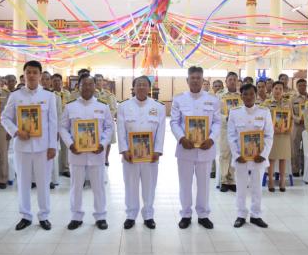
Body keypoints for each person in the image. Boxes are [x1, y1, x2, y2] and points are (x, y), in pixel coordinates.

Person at [1, 60, 58, 231]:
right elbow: (5, 118)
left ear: (40, 76)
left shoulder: (49, 96)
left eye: (35, 72)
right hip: (22, 147)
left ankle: (44, 216)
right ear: (24, 75)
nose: (32, 75)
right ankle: (25, 215)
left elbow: (53, 123)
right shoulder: (16, 96)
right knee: (23, 183)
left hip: (43, 148)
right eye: (29, 72)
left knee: (43, 182)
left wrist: (52, 146)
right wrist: (16, 131)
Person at [59, 74, 113, 230]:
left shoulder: (103, 106)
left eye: (90, 84)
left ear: (95, 87)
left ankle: (100, 216)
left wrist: (103, 143)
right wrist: (70, 144)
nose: (87, 87)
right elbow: (62, 127)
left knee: (98, 186)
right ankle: (76, 216)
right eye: (84, 84)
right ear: (79, 87)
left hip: (97, 153)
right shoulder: (70, 106)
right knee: (76, 186)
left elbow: (109, 127)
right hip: (77, 154)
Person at [170, 66, 221, 229]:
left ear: (203, 79)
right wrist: (181, 137)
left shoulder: (213, 100)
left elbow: (218, 122)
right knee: (184, 183)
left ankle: (203, 214)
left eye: (198, 78)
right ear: (187, 80)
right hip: (185, 149)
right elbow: (174, 122)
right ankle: (185, 214)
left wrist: (212, 139)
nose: (195, 80)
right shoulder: (179, 99)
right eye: (192, 78)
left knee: (204, 184)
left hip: (205, 149)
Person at [117, 76, 166, 230]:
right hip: (130, 155)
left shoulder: (158, 107)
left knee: (149, 186)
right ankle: (131, 215)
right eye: (138, 85)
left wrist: (158, 151)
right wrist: (124, 149)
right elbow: (120, 130)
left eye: (144, 85)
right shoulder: (124, 106)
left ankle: (148, 215)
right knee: (130, 185)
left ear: (149, 88)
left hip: (150, 155)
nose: (141, 87)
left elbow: (161, 131)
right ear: (133, 88)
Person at [228, 83, 273, 228]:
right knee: (241, 186)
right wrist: (236, 154)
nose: (248, 97)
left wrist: (264, 154)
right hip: (241, 157)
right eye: (245, 94)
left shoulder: (264, 112)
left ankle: (256, 215)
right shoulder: (234, 113)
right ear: (241, 96)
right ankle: (241, 214)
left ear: (256, 95)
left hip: (258, 157)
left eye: (251, 94)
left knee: (257, 186)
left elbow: (269, 135)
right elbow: (231, 136)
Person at [264, 81, 293, 192]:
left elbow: (291, 117)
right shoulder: (267, 103)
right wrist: (271, 129)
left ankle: (282, 181)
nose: (278, 91)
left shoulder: (287, 102)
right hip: (272, 134)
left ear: (283, 90)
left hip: (284, 134)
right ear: (272, 89)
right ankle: (270, 181)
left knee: (283, 158)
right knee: (271, 158)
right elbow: (264, 119)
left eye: (280, 89)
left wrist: (289, 128)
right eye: (276, 88)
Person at [217, 71, 241, 192]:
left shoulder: (241, 95)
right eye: (230, 79)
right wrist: (225, 118)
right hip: (225, 128)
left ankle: (232, 180)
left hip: (237, 129)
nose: (232, 81)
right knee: (224, 154)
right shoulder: (220, 95)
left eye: (234, 79)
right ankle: (224, 180)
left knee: (234, 154)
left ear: (237, 81)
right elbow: (215, 113)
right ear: (226, 81)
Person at [40, 71, 62, 189]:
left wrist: (57, 130)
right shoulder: (35, 95)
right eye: (42, 79)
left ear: (50, 82)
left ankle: (51, 179)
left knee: (52, 155)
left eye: (47, 79)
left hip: (51, 129)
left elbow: (59, 114)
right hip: (38, 131)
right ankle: (37, 179)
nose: (45, 81)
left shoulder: (56, 96)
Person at [290, 79, 308, 176]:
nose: (302, 87)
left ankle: (305, 169)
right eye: (300, 85)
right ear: (297, 86)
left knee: (307, 148)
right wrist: (298, 120)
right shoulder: (293, 99)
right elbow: (290, 113)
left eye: (304, 85)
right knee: (295, 149)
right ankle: (295, 169)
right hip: (297, 126)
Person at [94, 74, 117, 167]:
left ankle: (106, 158)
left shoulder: (109, 94)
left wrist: (107, 117)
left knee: (108, 140)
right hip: (96, 121)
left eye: (101, 80)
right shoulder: (92, 94)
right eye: (97, 80)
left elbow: (113, 108)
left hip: (107, 121)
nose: (99, 82)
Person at [52, 73, 71, 178]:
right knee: (53, 146)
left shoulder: (67, 94)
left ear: (61, 82)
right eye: (54, 81)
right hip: (54, 123)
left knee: (66, 147)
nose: (57, 82)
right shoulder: (50, 95)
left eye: (58, 80)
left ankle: (65, 168)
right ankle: (53, 169)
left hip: (66, 124)